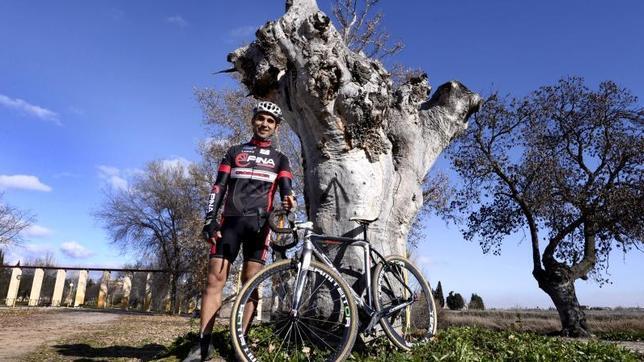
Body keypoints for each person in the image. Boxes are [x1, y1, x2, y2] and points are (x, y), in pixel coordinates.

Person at [199, 101, 296, 361]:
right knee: (213, 283)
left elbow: (286, 189)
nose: (264, 124)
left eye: (270, 121)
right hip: (229, 223)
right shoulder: (234, 152)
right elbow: (218, 187)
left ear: (276, 128)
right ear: (253, 121)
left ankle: (239, 345)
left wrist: (289, 200)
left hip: (260, 227)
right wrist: (209, 219)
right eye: (260, 119)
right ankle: (203, 346)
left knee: (250, 285)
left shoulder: (281, 158)